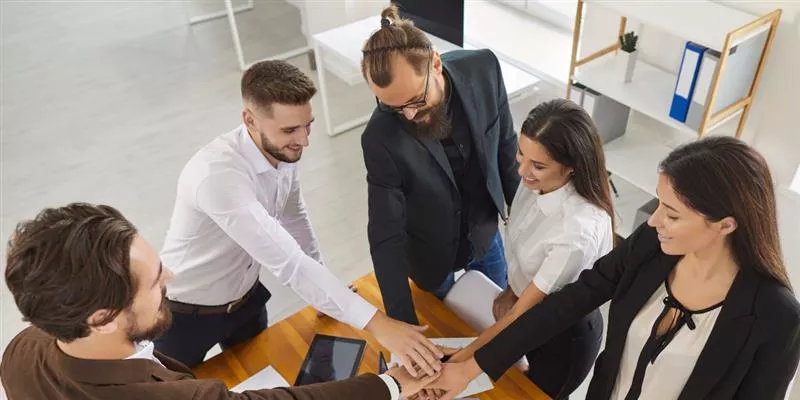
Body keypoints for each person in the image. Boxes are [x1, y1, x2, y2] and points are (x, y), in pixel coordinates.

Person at [430, 136, 800, 400]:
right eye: (659, 205)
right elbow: (565, 304)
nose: (654, 221)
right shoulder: (652, 247)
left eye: (672, 214)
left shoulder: (775, 316)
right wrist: (471, 367)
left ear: (726, 224)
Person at [155, 60, 443, 374]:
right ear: (250, 120)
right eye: (290, 129)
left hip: (246, 300)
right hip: (184, 314)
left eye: (308, 125)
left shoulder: (282, 149)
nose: (304, 140)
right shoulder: (217, 177)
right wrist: (378, 324)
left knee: (257, 377)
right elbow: (289, 262)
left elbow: (294, 218)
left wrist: (325, 293)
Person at [1, 203, 439, 400]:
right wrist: (394, 384)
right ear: (101, 318)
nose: (171, 278)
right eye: (155, 282)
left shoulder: (19, 352)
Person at [360, 5, 520, 325]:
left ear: (435, 63)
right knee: (446, 328)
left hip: (484, 236)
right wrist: (402, 324)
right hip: (429, 256)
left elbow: (506, 151)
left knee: (498, 326)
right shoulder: (379, 136)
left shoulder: (484, 69)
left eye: (416, 102)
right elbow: (385, 234)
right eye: (393, 107)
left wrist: (527, 244)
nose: (408, 115)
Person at [446, 99, 614, 399]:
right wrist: (512, 289)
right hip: (525, 308)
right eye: (521, 155)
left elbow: (521, 316)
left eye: (538, 165)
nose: (522, 171)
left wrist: (455, 362)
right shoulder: (535, 181)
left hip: (562, 340)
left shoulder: (576, 231)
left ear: (572, 167)